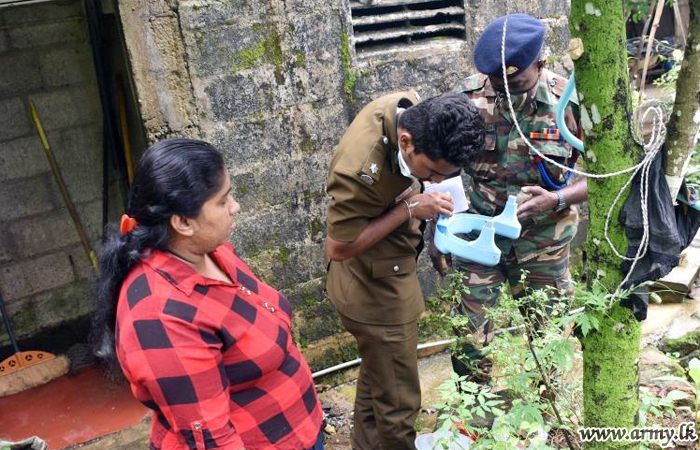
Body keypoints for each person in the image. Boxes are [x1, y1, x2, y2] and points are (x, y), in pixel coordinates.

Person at [92, 139, 324, 450]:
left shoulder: (211, 252)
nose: (235, 207)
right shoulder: (161, 316)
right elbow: (212, 440)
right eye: (223, 201)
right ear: (183, 222)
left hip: (296, 431)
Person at [430, 13, 588, 381]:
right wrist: (436, 231)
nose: (504, 90)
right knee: (467, 341)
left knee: (549, 341)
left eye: (516, 82)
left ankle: (550, 421)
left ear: (540, 64)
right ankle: (476, 424)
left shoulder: (571, 101)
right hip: (479, 238)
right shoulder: (468, 98)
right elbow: (442, 168)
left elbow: (604, 178)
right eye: (497, 82)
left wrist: (558, 198)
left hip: (544, 244)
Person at [325, 92, 484, 450]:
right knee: (398, 405)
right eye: (431, 173)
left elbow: (422, 182)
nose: (434, 180)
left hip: (389, 270)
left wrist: (433, 211)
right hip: (375, 291)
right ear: (406, 142)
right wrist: (410, 210)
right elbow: (337, 246)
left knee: (377, 383)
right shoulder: (359, 171)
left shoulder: (407, 109)